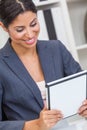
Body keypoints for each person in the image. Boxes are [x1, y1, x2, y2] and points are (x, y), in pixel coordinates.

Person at [0, 0, 87, 130]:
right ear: (4, 27)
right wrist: (36, 125)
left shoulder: (56, 49)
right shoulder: (2, 64)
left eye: (33, 24)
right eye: (20, 29)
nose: (30, 34)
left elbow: (82, 88)